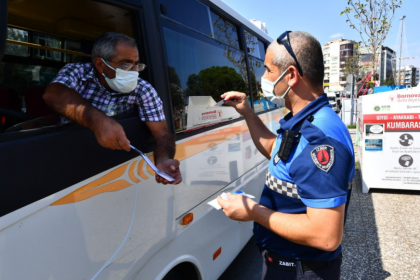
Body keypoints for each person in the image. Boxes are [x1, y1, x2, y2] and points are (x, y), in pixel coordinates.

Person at [218, 31, 354, 280]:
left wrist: (253, 211)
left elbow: (326, 236)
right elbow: (276, 152)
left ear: (290, 75)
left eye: (268, 70)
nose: (263, 78)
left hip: (302, 270)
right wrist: (247, 112)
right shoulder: (302, 120)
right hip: (287, 264)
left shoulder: (319, 141)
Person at [44, 32, 181, 185]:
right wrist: (97, 121)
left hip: (115, 171)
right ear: (100, 65)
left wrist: (164, 159)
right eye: (125, 64)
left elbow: (162, 133)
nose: (134, 71)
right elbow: (53, 94)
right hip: (70, 163)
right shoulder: (78, 73)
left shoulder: (143, 90)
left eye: (136, 64)